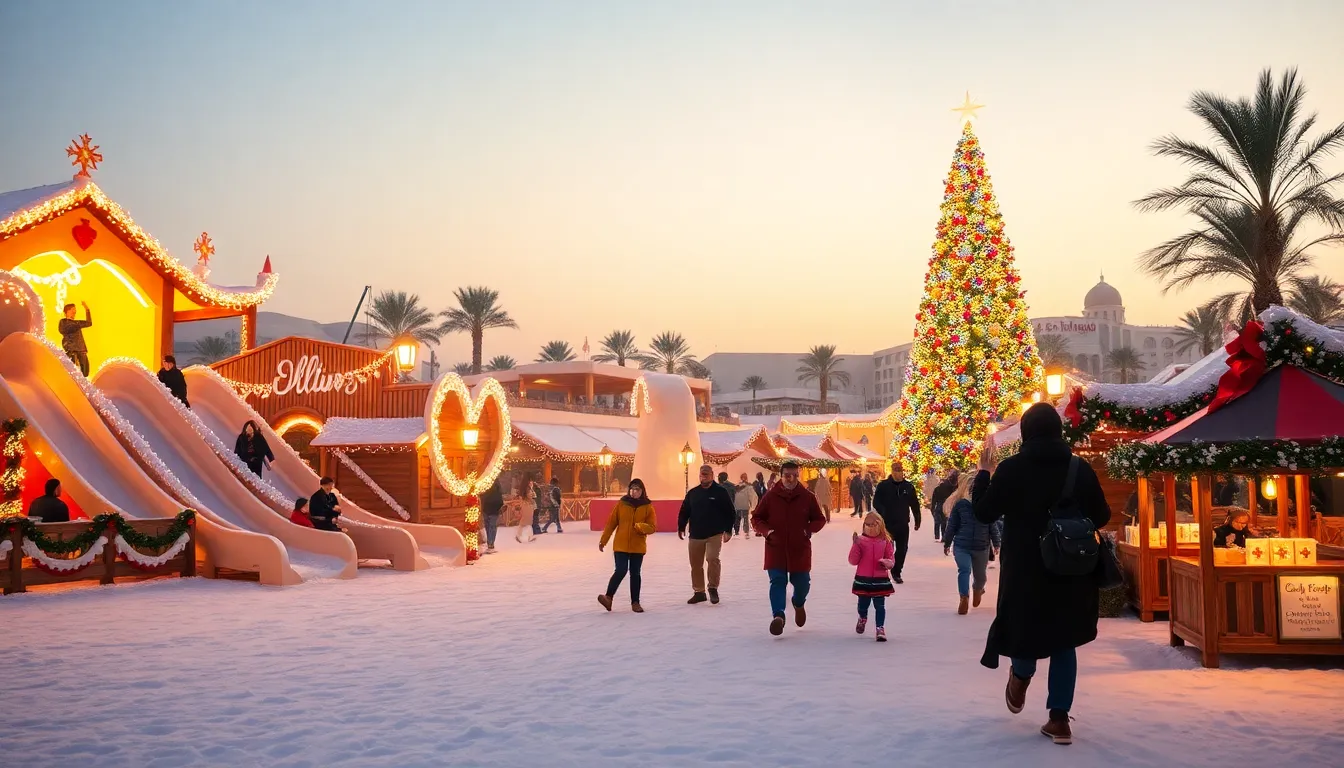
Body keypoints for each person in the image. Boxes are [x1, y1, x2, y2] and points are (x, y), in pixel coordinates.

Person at [972, 403, 1111, 746]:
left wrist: (983, 473)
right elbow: (1103, 515)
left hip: (1026, 570)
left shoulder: (1012, 469)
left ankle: (1020, 676)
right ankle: (1059, 719)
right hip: (1071, 569)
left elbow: (984, 512)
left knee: (1025, 628)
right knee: (1065, 639)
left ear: (1026, 432)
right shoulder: (1079, 469)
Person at [752, 460, 826, 635]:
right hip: (775, 547)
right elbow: (757, 518)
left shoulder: (807, 497)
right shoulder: (770, 496)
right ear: (781, 475)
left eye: (794, 475)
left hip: (799, 548)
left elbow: (819, 519)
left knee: (802, 584)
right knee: (777, 581)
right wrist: (766, 531)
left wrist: (807, 530)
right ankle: (778, 616)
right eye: (787, 475)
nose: (791, 478)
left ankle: (798, 603)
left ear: (798, 475)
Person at [943, 472, 1001, 614]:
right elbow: (952, 524)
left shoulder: (984, 505)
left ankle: (977, 589)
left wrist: (996, 542)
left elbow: (991, 524)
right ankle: (964, 597)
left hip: (981, 546)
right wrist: (947, 542)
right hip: (962, 546)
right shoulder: (961, 505)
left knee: (980, 576)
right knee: (964, 570)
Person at [678, 464, 736, 604]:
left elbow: (730, 512)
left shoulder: (720, 492)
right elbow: (684, 511)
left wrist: (728, 530)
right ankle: (699, 592)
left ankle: (713, 588)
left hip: (714, 533)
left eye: (706, 474)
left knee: (712, 559)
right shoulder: (693, 493)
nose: (704, 476)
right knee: (696, 565)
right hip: (696, 534)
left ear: (712, 475)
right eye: (702, 474)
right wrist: (681, 526)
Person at [598, 478, 657, 613]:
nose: (634, 492)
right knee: (620, 570)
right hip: (621, 545)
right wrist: (604, 540)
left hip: (638, 546)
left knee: (635, 573)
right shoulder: (622, 504)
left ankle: (635, 602)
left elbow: (653, 527)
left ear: (642, 491)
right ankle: (608, 597)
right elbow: (611, 523)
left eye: (637, 490)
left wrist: (641, 527)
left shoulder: (648, 506)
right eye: (632, 489)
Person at [850, 512, 896, 642]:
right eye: (868, 524)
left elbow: (891, 558)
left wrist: (887, 563)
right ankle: (862, 617)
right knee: (862, 604)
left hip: (880, 579)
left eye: (874, 524)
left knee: (880, 606)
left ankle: (880, 628)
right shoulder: (860, 541)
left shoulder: (886, 541)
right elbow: (853, 560)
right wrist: (855, 544)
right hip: (863, 579)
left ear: (880, 525)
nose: (870, 527)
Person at [872, 462, 920, 584]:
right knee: (887, 548)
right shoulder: (883, 486)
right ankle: (883, 571)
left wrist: (917, 519)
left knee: (902, 549)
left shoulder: (908, 487)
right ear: (892, 471)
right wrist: (883, 511)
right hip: (887, 523)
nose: (898, 472)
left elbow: (914, 504)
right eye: (896, 470)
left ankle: (896, 572)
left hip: (902, 523)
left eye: (900, 470)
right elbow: (876, 502)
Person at [58, 301, 92, 376]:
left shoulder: (76, 323)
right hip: (72, 351)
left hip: (82, 350)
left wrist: (87, 309)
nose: (75, 311)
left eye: (75, 310)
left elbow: (89, 323)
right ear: (67, 311)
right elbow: (64, 329)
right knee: (73, 373)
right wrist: (76, 324)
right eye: (73, 309)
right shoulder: (63, 322)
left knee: (85, 373)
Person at [929, 468, 959, 542]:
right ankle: (943, 537)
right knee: (944, 522)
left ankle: (937, 536)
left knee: (937, 521)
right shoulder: (949, 488)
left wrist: (932, 508)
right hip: (945, 505)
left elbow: (934, 500)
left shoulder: (937, 489)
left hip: (939, 505)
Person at [481, 478, 505, 553]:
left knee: (488, 526)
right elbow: (500, 501)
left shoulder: (485, 487)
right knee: (492, 527)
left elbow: (482, 497)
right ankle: (491, 544)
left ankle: (489, 543)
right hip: (494, 511)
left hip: (486, 509)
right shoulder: (497, 490)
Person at [733, 472, 759, 538]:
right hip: (745, 505)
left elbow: (734, 495)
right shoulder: (749, 486)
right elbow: (752, 496)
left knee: (738, 519)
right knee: (745, 519)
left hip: (737, 504)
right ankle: (746, 532)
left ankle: (736, 532)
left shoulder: (737, 486)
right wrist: (752, 505)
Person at [516, 474, 537, 544]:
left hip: (524, 505)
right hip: (528, 505)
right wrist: (532, 489)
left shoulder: (523, 487)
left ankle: (519, 535)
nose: (532, 481)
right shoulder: (528, 488)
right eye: (530, 480)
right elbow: (531, 496)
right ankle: (530, 536)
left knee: (524, 522)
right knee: (528, 521)